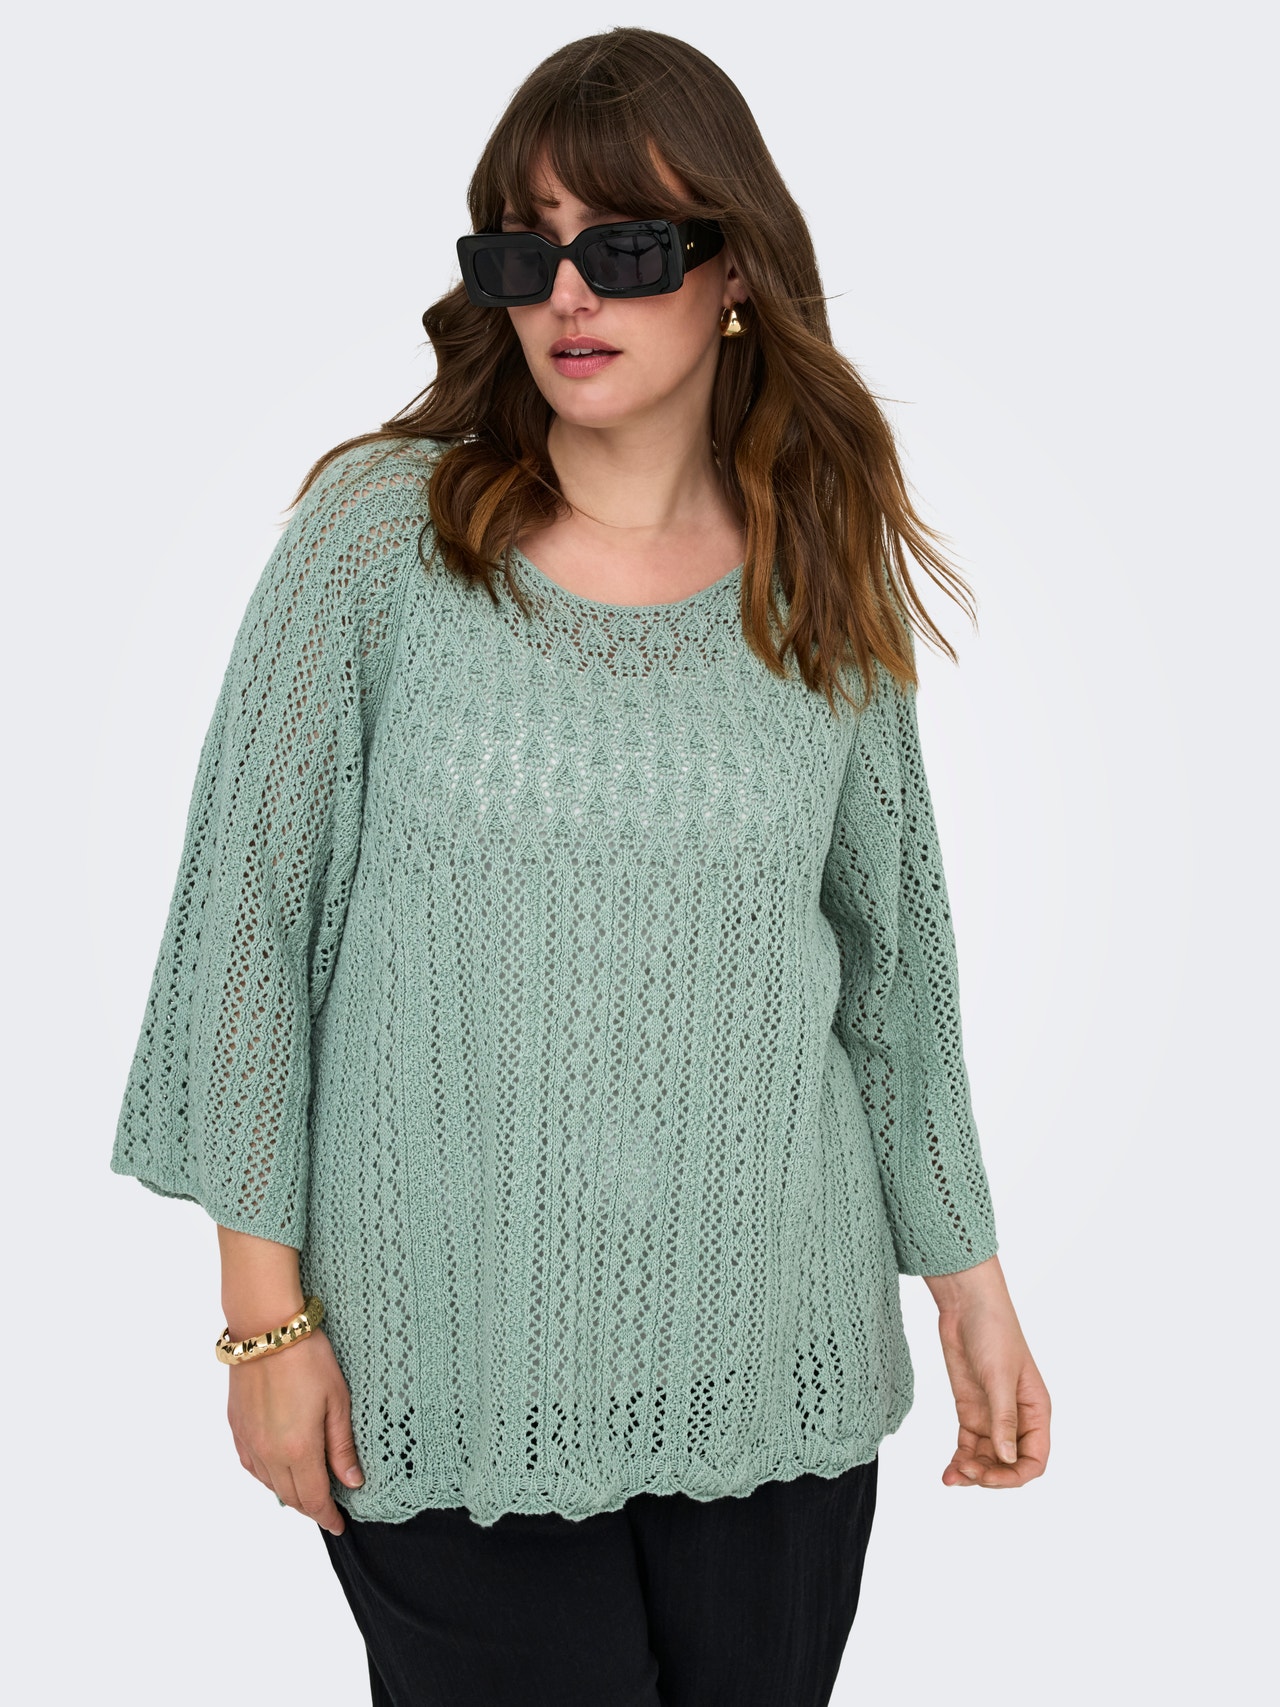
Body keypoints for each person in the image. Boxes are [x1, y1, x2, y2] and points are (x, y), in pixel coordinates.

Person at [110, 25, 1051, 1707]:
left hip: (777, 1363)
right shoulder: (379, 539)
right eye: (523, 248)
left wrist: (970, 1283)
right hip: (440, 1364)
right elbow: (246, 931)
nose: (567, 294)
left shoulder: (818, 573)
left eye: (623, 247)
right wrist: (264, 1323)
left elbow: (895, 976)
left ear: (735, 271)